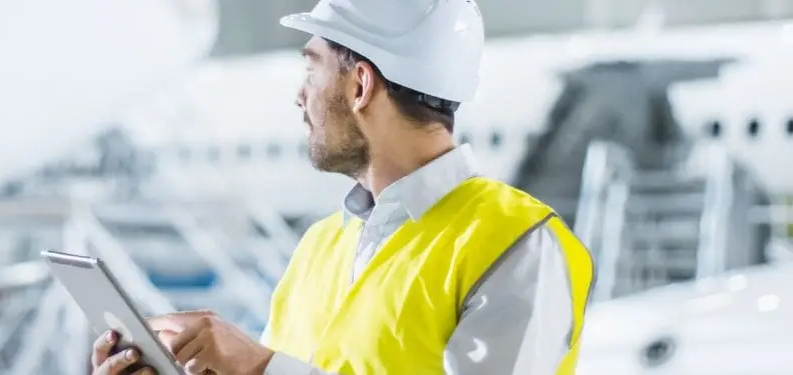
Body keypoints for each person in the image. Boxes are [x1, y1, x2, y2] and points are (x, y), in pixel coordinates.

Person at [91, 0, 595, 374]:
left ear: (359, 85)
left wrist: (262, 366)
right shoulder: (321, 247)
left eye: (311, 67)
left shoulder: (517, 245)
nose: (299, 96)